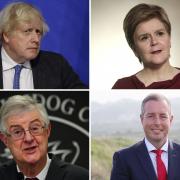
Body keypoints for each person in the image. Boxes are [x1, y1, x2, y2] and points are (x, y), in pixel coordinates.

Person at [0, 2, 86, 89]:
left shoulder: (57, 64)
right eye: (27, 31)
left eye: (38, 32)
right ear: (6, 35)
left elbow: (83, 96)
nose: (36, 39)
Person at [0, 95, 88, 180]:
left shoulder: (80, 177)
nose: (28, 138)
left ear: (47, 130)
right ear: (5, 140)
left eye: (34, 128)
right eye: (17, 132)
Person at [110, 93, 180, 180]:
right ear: (142, 119)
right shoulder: (123, 159)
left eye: (163, 116)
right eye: (150, 116)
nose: (157, 122)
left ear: (171, 120)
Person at [112, 3, 180, 89]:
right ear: (134, 48)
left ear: (169, 38)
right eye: (144, 38)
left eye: (160, 33)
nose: (154, 42)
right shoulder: (122, 87)